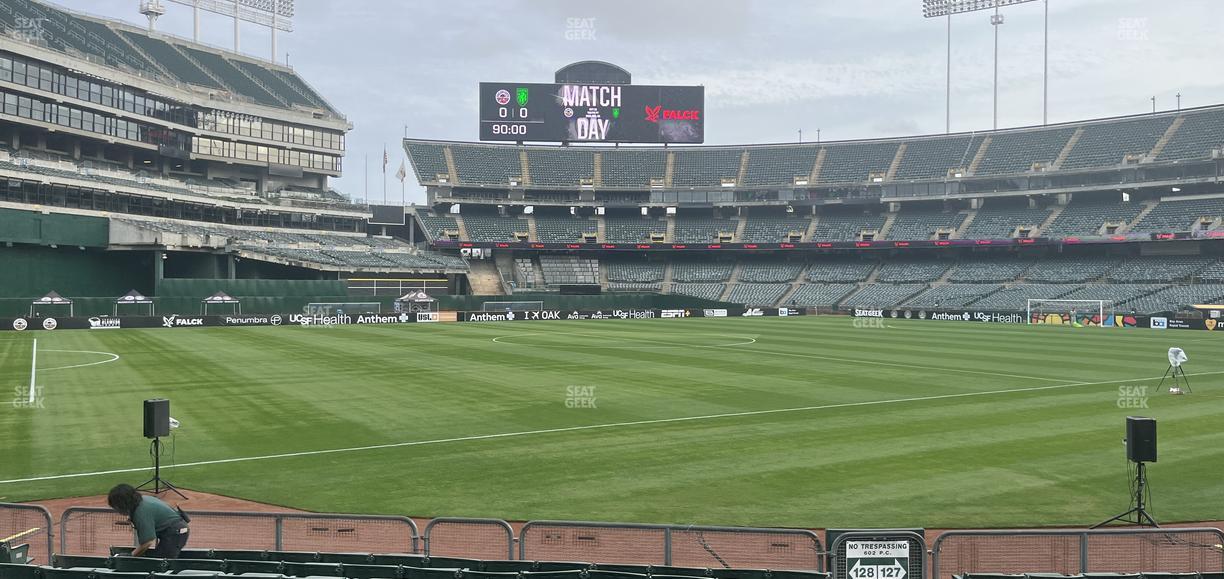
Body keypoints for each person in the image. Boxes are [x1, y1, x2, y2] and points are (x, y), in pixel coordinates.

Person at [106, 484, 189, 558]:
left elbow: (148, 542)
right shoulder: (143, 499)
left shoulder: (140, 512)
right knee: (159, 559)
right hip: (177, 529)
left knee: (162, 563)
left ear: (123, 503)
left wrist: (131, 556)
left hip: (175, 533)